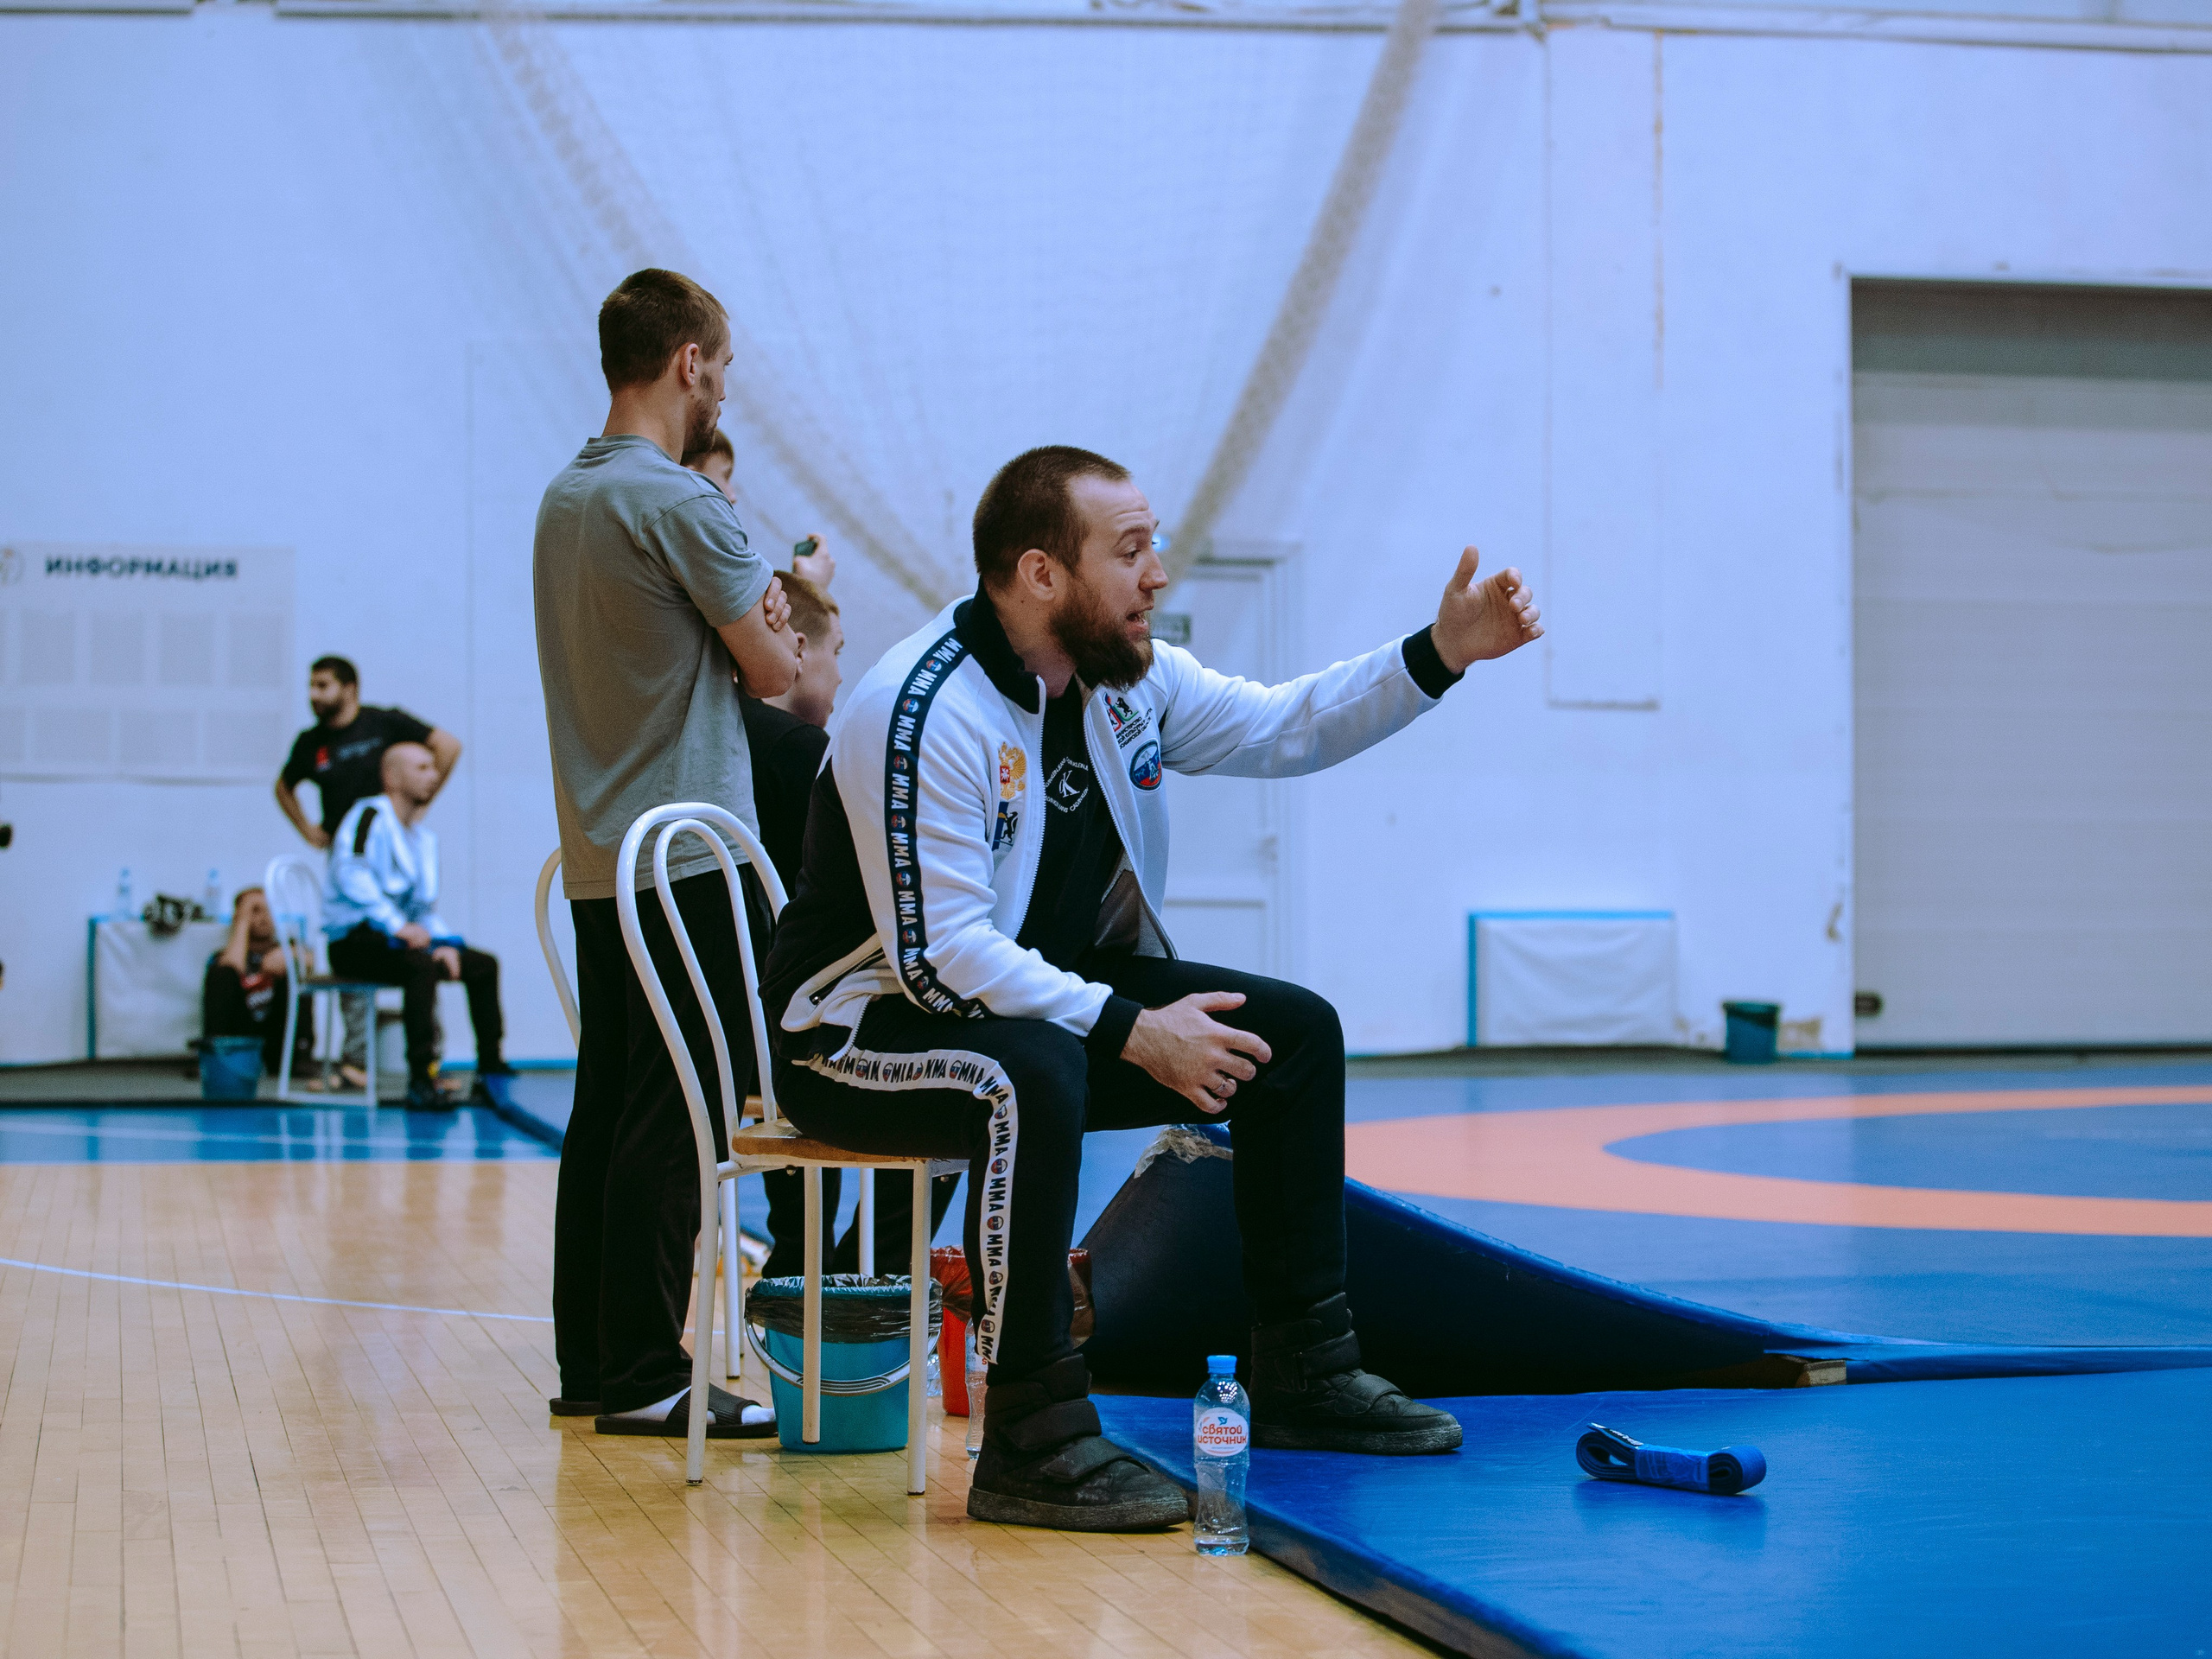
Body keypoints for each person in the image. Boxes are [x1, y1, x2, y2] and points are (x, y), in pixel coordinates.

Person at [762, 445, 1542, 1532]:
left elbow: (1283, 724)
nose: (1157, 576)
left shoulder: (1123, 682)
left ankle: (1306, 1371)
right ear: (1040, 574)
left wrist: (1436, 655)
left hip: (1030, 1005)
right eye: (1129, 552)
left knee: (1291, 1036)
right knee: (1024, 1073)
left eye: (1153, 547)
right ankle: (1031, 1437)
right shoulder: (923, 705)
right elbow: (944, 961)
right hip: (853, 1032)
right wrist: (1132, 1029)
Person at [534, 268, 800, 1440]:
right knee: (684, 1109)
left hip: (601, 854)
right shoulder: (680, 503)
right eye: (724, 365)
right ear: (689, 360)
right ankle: (650, 1371)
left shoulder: (564, 497)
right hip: (689, 855)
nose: (725, 389)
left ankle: (597, 1365)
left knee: (607, 1109)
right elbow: (778, 671)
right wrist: (773, 620)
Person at [729, 569, 960, 1278]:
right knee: (963, 1066)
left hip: (718, 1013)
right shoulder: (799, 753)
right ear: (798, 648)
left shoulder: (725, 743)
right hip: (781, 1030)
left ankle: (815, 1265)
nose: (840, 673)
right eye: (838, 652)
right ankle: (872, 1277)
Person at [324, 743, 511, 1111]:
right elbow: (350, 873)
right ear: (392, 777)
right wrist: (398, 927)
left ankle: (491, 1069)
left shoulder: (422, 839)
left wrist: (444, 942)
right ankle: (422, 1078)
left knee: (482, 964)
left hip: (402, 941)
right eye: (422, 768)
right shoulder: (368, 816)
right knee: (420, 965)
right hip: (354, 941)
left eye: (433, 768)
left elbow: (422, 910)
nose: (434, 775)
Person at [276, 657, 461, 849]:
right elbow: (283, 788)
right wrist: (308, 831)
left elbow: (448, 746)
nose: (313, 695)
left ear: (349, 689)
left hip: (389, 841)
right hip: (343, 847)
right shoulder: (310, 742)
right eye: (311, 686)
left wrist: (420, 804)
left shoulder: (384, 722)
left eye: (322, 686)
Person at [201, 887, 299, 1077]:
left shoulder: (290, 948)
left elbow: (316, 962)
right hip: (239, 1037)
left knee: (294, 971)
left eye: (268, 909)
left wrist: (290, 954)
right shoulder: (225, 956)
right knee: (222, 974)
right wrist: (242, 923)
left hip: (276, 1039)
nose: (264, 917)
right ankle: (221, 1057)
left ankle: (292, 1060)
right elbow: (231, 968)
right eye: (255, 911)